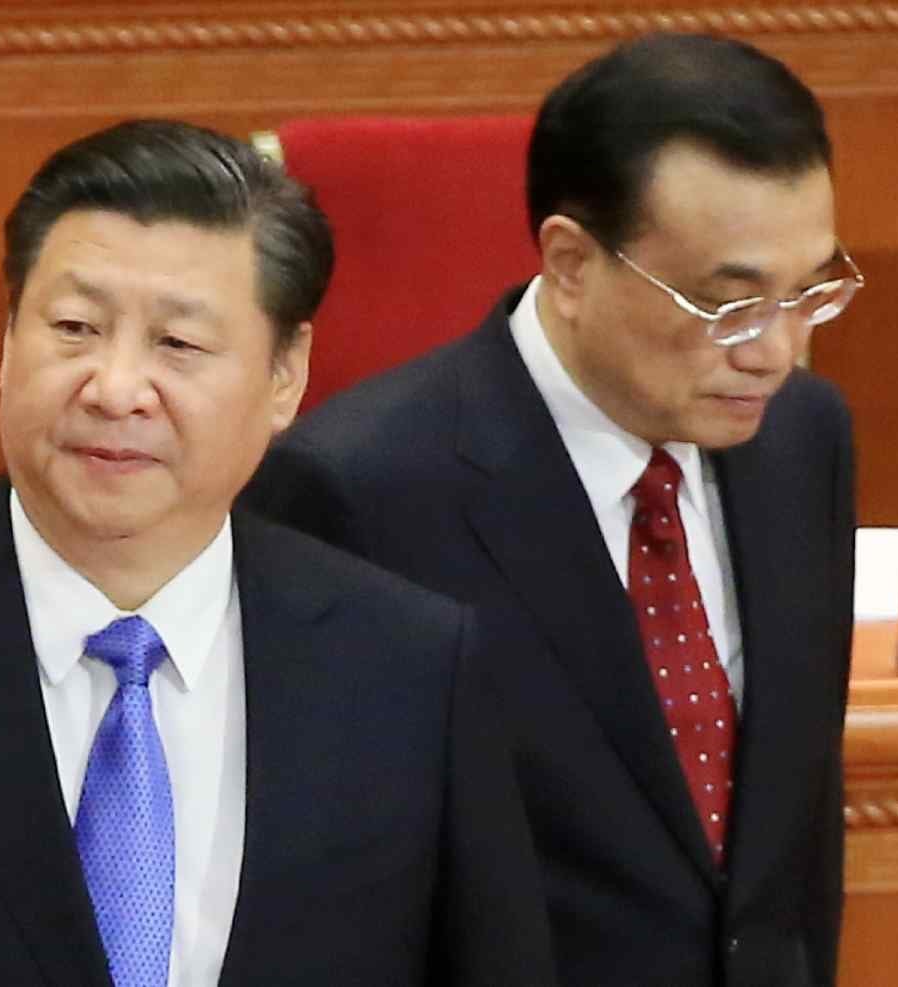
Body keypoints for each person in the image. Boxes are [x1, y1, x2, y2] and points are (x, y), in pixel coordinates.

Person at [0, 120, 550, 986]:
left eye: (178, 343)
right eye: (75, 327)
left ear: (285, 376)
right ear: (8, 338)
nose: (116, 389)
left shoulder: (410, 670)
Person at [245, 33, 859, 987]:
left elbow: (797, 832)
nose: (773, 352)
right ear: (570, 262)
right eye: (727, 303)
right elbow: (332, 899)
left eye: (808, 292)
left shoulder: (803, 439)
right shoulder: (358, 494)